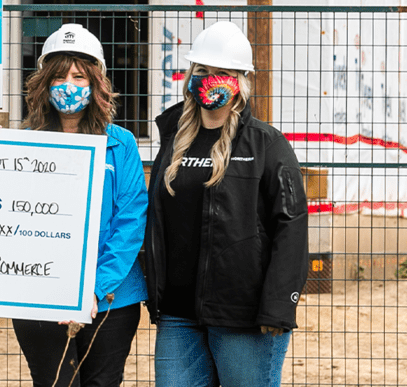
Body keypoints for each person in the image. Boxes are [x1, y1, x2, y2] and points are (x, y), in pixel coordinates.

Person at [0, 23, 148, 387]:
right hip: (39, 292)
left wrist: (95, 289)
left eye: (80, 76)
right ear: (45, 83)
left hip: (113, 298)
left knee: (102, 382)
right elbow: (0, 209)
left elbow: (130, 221)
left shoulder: (121, 144)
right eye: (61, 76)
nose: (70, 85)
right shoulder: (22, 146)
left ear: (96, 82)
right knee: (55, 383)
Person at [141, 21, 309, 386]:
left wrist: (279, 306)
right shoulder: (173, 138)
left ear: (240, 82)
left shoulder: (266, 145)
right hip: (177, 313)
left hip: (243, 316)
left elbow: (291, 226)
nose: (209, 79)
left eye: (222, 73)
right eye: (202, 71)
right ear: (189, 76)